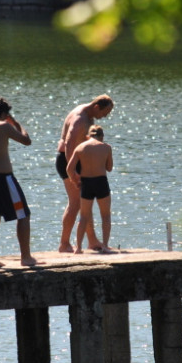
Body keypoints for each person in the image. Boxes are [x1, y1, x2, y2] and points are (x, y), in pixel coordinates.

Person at [0, 97, 39, 267]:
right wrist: (16, 123)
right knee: (23, 215)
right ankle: (26, 257)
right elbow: (27, 141)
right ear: (4, 114)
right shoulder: (4, 126)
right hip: (4, 178)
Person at [55, 94, 114, 252]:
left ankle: (92, 241)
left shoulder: (88, 114)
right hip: (68, 161)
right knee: (75, 203)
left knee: (85, 203)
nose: (105, 117)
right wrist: (72, 172)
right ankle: (64, 243)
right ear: (97, 107)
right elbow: (69, 144)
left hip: (78, 161)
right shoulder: (80, 120)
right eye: (105, 113)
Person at [67, 125, 114, 253]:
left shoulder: (80, 147)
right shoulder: (106, 147)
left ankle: (78, 248)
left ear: (88, 136)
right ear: (101, 136)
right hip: (101, 182)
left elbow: (69, 169)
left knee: (84, 216)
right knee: (105, 215)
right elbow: (109, 168)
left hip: (86, 183)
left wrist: (75, 181)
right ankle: (105, 246)